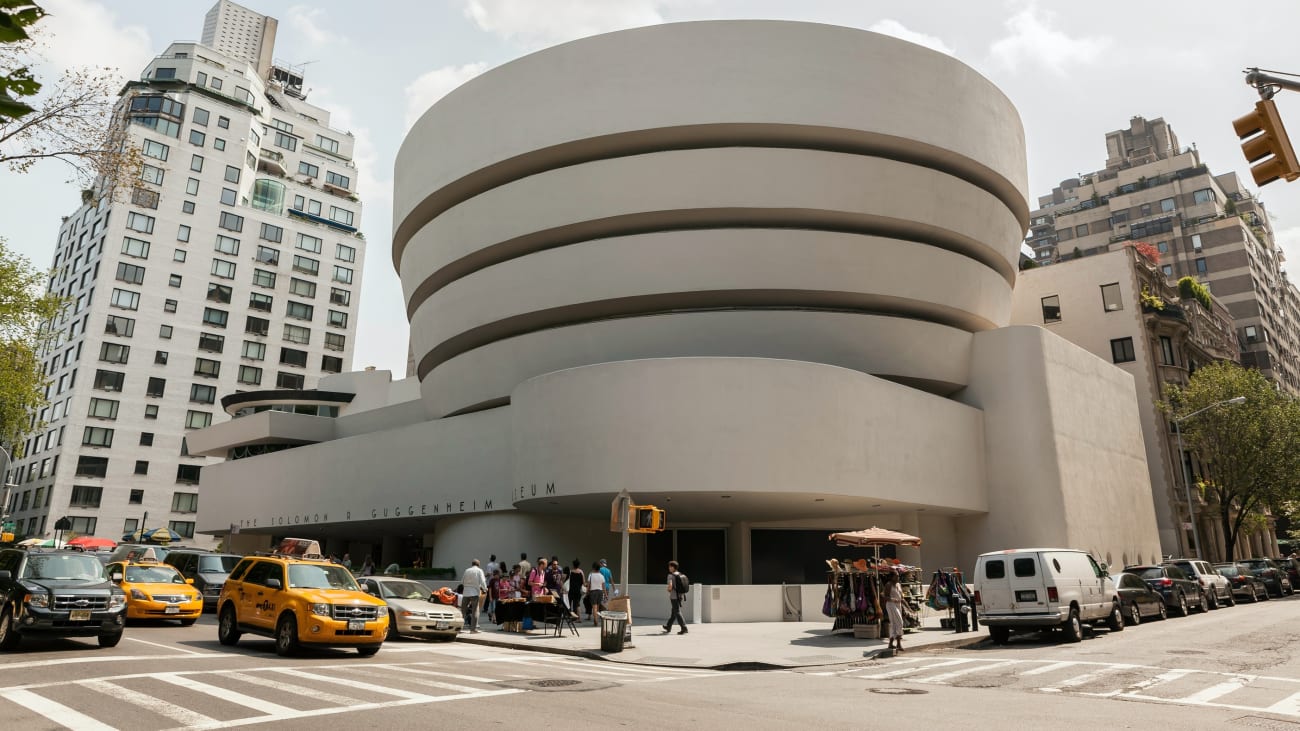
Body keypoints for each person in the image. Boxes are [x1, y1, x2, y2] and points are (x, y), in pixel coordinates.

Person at [461, 559, 488, 633]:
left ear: (472, 564)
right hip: (474, 592)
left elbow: (462, 581)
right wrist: (485, 589)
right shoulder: (479, 571)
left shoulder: (467, 570)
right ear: (478, 564)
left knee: (463, 611)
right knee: (475, 611)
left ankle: (459, 628)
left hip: (466, 592)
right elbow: (482, 581)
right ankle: (473, 629)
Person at [663, 560, 688, 634]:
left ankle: (684, 628)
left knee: (677, 611)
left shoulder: (671, 576)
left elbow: (670, 586)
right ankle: (668, 626)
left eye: (670, 566)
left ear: (673, 567)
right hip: (680, 596)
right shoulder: (680, 574)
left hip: (674, 596)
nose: (669, 568)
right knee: (674, 611)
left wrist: (669, 590)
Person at [885, 572, 905, 652]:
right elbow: (885, 596)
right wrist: (893, 599)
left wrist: (908, 607)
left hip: (898, 604)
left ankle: (891, 643)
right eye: (896, 576)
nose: (898, 577)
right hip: (891, 604)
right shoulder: (888, 584)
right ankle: (899, 644)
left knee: (894, 624)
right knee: (899, 623)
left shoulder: (898, 584)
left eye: (898, 576)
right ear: (892, 577)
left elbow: (902, 597)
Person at [586, 560, 607, 625]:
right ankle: (596, 619)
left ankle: (595, 621)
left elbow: (588, 585)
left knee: (594, 607)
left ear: (593, 568)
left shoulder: (591, 575)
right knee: (597, 607)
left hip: (593, 592)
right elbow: (604, 587)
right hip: (600, 592)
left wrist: (587, 592)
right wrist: (606, 595)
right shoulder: (601, 576)